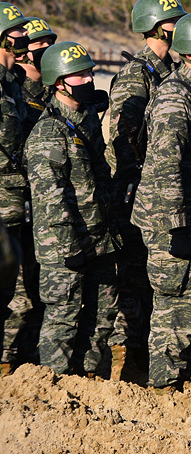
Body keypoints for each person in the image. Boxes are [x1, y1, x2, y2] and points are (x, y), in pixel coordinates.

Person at [131, 11, 191, 394]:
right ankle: (163, 387)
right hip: (171, 223)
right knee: (175, 311)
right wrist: (175, 228)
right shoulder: (175, 99)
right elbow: (162, 168)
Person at [26, 41, 123, 376]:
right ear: (59, 82)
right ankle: (54, 386)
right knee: (63, 319)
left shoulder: (86, 120)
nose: (89, 79)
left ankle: (91, 379)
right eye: (79, 75)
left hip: (99, 238)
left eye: (89, 72)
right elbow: (50, 198)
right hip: (64, 246)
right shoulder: (48, 133)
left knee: (102, 316)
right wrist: (69, 248)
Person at [106, 0, 186, 379]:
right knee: (135, 279)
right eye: (174, 22)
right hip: (137, 192)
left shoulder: (168, 72)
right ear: (157, 27)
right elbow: (123, 135)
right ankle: (127, 359)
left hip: (156, 189)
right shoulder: (136, 75)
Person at [0, 2, 32, 375]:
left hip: (16, 202)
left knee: (14, 291)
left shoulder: (15, 85)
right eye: (18, 32)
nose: (25, 38)